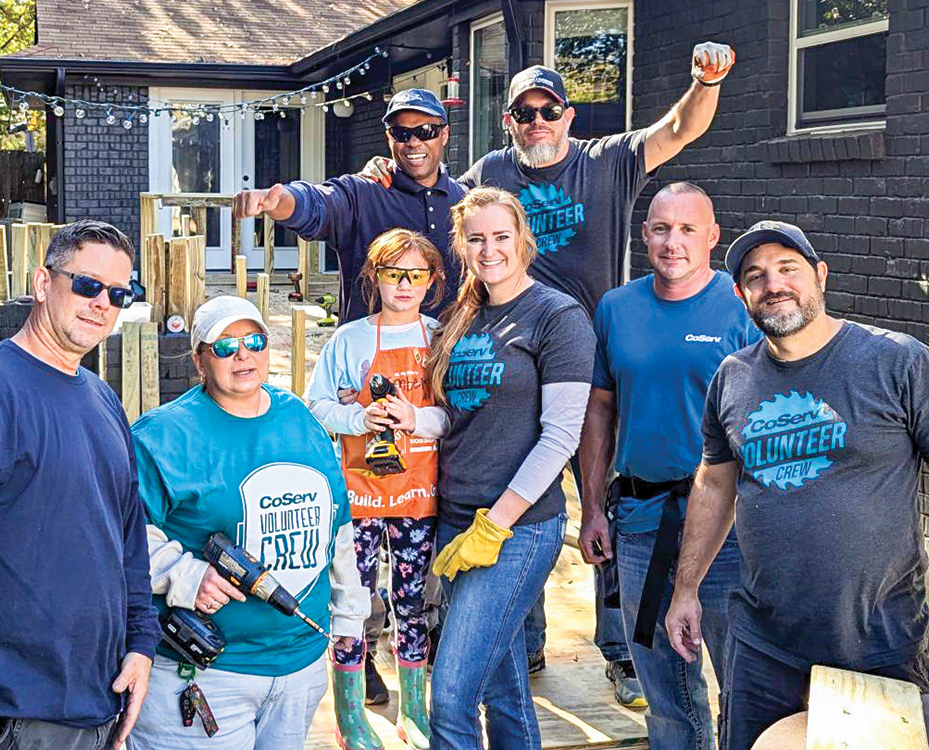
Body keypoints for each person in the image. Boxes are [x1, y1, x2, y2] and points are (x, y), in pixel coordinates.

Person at [363, 42, 736, 701]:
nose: (537, 121)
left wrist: (704, 80)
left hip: (598, 362)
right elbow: (443, 204)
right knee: (523, 500)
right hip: (516, 362)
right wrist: (381, 175)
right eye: (523, 113)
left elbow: (681, 127)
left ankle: (621, 652)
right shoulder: (493, 169)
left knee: (607, 507)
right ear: (509, 121)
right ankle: (525, 644)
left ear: (568, 114)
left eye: (548, 109)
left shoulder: (607, 160)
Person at [664, 221, 929, 750]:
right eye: (756, 276)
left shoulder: (897, 361)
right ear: (741, 296)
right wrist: (686, 588)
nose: (774, 284)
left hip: (879, 643)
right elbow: (715, 484)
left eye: (789, 269)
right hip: (763, 646)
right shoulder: (733, 377)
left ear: (821, 277)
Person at [0, 221, 159, 750]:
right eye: (87, 284)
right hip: (6, 720)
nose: (103, 302)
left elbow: (127, 541)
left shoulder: (102, 400)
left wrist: (142, 645)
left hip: (98, 708)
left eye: (121, 293)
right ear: (41, 282)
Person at [397, 186, 594, 749]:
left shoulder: (557, 317)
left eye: (501, 237)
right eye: (476, 238)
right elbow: (458, 419)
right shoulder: (463, 316)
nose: (489, 250)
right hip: (456, 518)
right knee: (503, 690)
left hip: (518, 528)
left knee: (452, 696)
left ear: (523, 241)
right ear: (461, 244)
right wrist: (415, 418)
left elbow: (560, 436)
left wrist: (497, 522)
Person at [127, 295, 369, 750]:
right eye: (224, 345)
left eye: (254, 341)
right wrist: (187, 574)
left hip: (299, 666)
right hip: (205, 676)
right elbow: (123, 534)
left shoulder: (298, 417)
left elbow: (337, 527)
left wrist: (350, 615)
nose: (243, 354)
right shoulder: (163, 435)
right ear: (200, 360)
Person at [578, 183, 761, 749]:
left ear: (712, 237)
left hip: (731, 531)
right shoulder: (616, 307)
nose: (673, 242)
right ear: (644, 236)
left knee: (745, 681)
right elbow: (600, 411)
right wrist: (591, 508)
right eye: (661, 228)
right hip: (641, 521)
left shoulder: (743, 309)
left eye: (687, 230)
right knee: (663, 685)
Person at [306, 229, 445, 750]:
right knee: (352, 602)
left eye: (416, 274)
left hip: (420, 492)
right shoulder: (349, 340)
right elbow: (315, 405)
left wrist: (418, 417)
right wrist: (357, 416)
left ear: (432, 281)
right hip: (358, 493)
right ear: (375, 277)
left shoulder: (442, 336)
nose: (404, 284)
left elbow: (455, 415)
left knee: (413, 603)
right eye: (393, 273)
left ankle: (414, 710)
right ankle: (349, 717)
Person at [232, 88, 467, 324]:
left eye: (426, 131)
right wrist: (278, 200)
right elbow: (317, 203)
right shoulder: (362, 193)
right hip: (371, 356)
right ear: (389, 138)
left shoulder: (466, 202)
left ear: (444, 135)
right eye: (401, 133)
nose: (414, 142)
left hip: (449, 355)